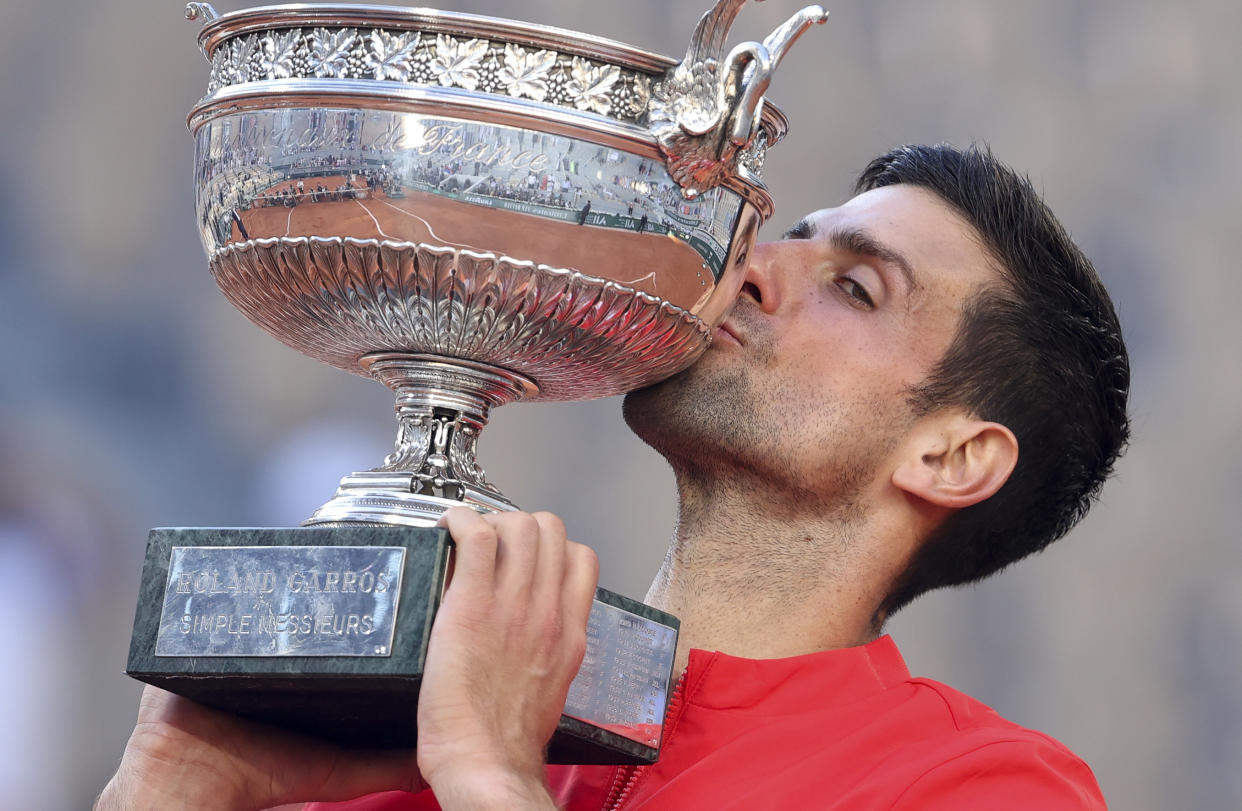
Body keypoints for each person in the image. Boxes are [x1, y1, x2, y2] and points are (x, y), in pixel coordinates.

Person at [96, 144, 1129, 810]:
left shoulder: (976, 787)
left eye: (854, 288)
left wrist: (492, 778)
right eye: (786, 239)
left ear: (952, 456)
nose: (752, 266)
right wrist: (172, 792)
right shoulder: (429, 709)